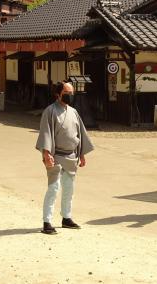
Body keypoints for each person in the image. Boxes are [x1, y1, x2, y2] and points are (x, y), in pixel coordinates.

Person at [36, 81, 94, 234]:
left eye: (71, 93)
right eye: (67, 93)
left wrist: (81, 154)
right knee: (53, 189)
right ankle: (47, 221)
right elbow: (45, 134)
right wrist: (46, 153)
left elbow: (79, 134)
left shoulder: (73, 112)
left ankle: (66, 218)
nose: (70, 96)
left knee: (69, 189)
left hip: (72, 156)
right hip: (56, 156)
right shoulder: (50, 111)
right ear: (58, 94)